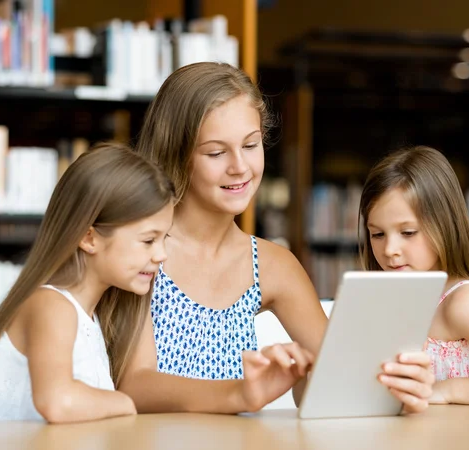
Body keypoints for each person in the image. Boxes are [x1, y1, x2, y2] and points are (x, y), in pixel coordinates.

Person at [118, 62, 435, 414]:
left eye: (251, 145)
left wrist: (397, 387)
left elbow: (337, 380)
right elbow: (136, 384)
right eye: (216, 152)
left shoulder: (272, 265)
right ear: (175, 153)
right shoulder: (143, 248)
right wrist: (241, 394)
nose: (240, 166)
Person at [0, 143, 175, 422]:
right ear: (89, 238)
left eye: (164, 239)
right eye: (148, 240)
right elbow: (58, 401)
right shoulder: (51, 305)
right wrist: (124, 402)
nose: (161, 255)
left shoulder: (89, 317)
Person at [358, 145, 469, 406]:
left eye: (408, 232)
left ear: (444, 225)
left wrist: (446, 390)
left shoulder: (460, 303)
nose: (389, 250)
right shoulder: (393, 297)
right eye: (377, 234)